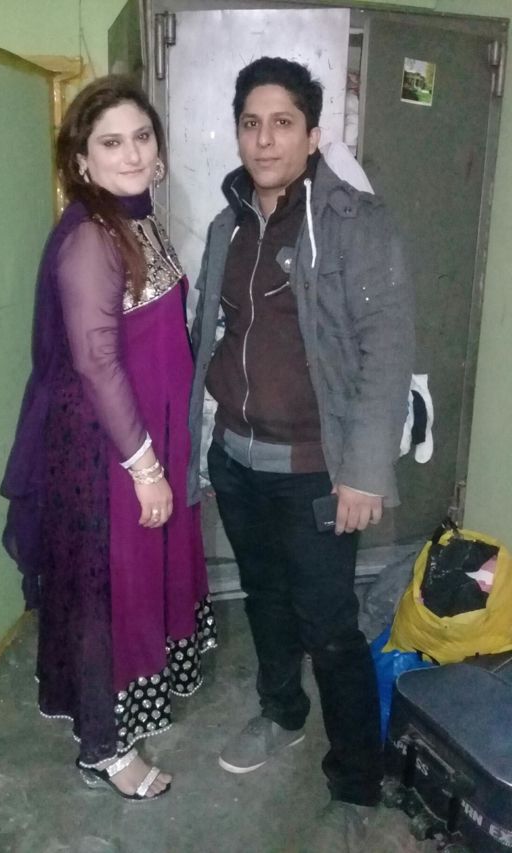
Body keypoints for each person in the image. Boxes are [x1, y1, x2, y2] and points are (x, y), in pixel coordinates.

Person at [187, 57, 414, 848]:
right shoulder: (227, 226)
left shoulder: (357, 224)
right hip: (237, 461)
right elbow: (212, 335)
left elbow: (387, 350)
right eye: (251, 123)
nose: (265, 139)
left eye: (283, 122)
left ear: (313, 134)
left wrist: (364, 472)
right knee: (265, 598)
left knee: (330, 624)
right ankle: (281, 711)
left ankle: (356, 778)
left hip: (318, 470)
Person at [1, 76, 216, 802]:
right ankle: (104, 746)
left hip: (151, 436)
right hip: (108, 454)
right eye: (111, 142)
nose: (132, 154)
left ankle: (129, 717)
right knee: (108, 599)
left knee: (143, 586)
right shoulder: (90, 237)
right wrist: (146, 468)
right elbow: (96, 361)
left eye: (142, 137)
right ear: (81, 160)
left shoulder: (139, 218)